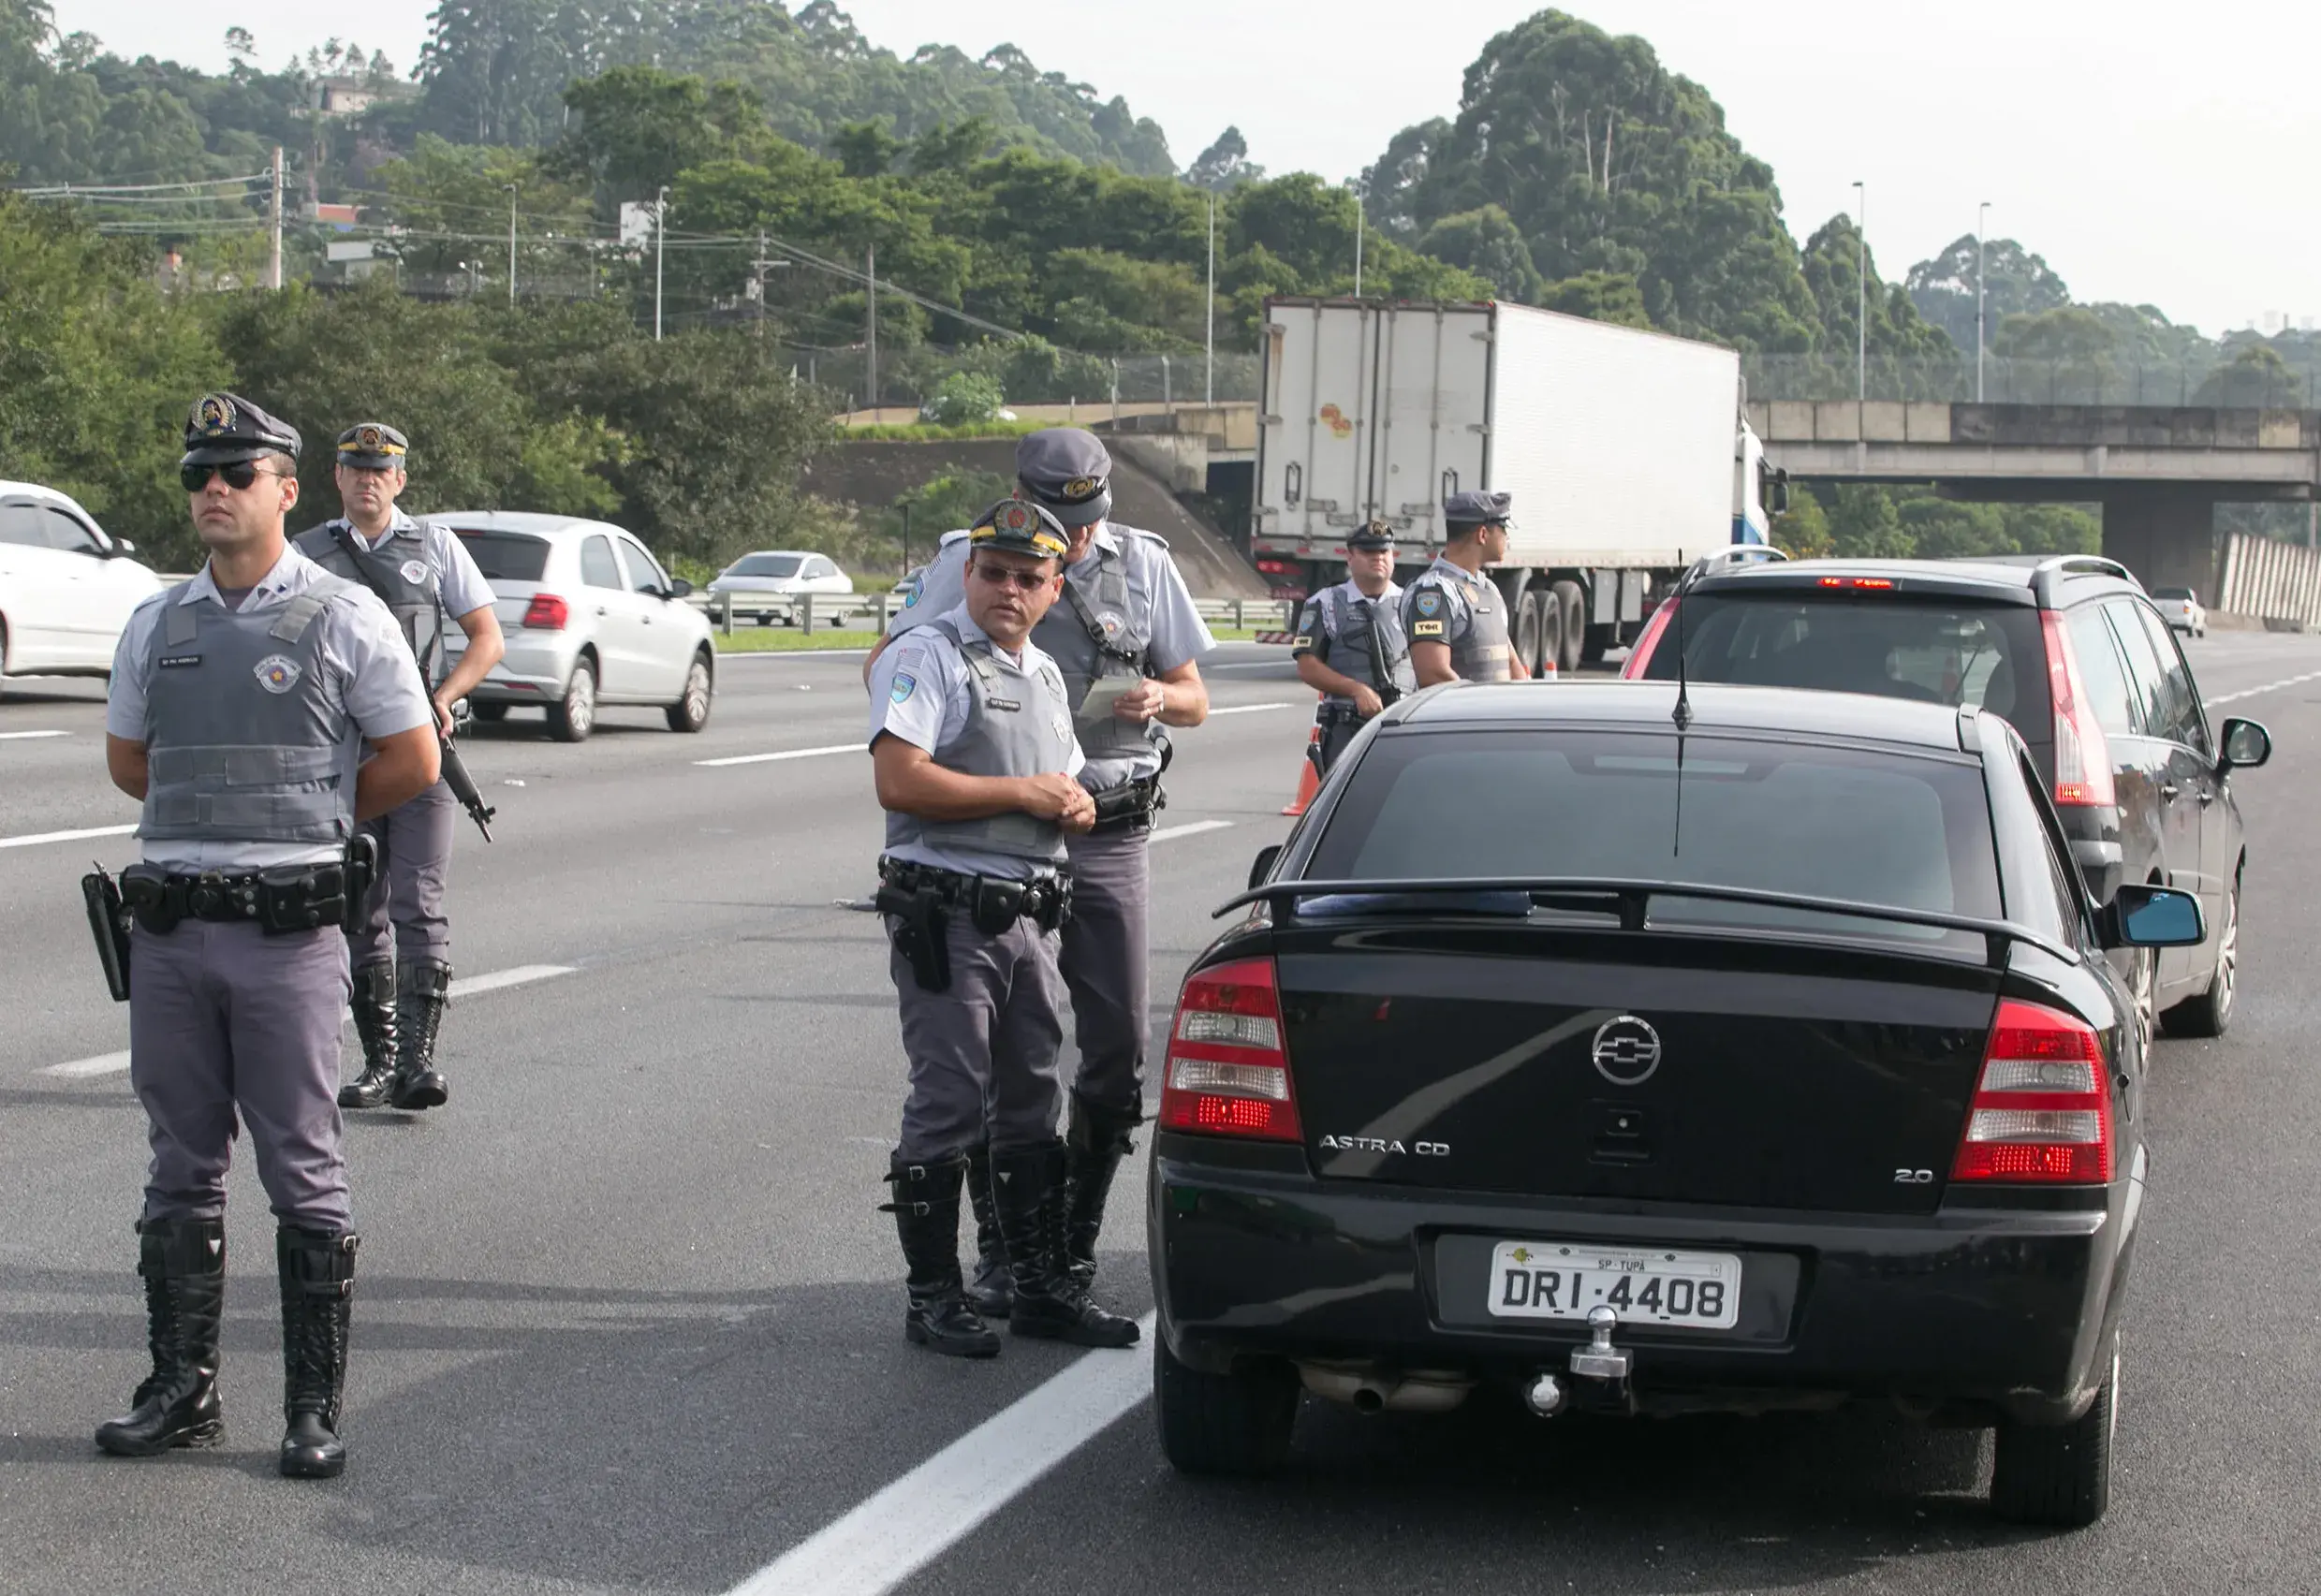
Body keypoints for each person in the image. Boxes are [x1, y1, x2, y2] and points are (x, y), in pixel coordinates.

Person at [95, 393, 440, 1478]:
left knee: (304, 1169)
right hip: (174, 930)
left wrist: (310, 825)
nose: (213, 488)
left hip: (288, 934)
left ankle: (309, 1407)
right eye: (201, 471)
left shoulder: (345, 616)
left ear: (287, 491)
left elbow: (412, 760)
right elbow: (131, 763)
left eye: (237, 473)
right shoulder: (157, 621)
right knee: (179, 1168)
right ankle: (181, 1391)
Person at [865, 429, 1212, 1331]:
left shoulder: (1129, 578)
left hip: (1077, 849)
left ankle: (1054, 1261)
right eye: (1002, 572)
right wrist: (1001, 765)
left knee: (1080, 1064)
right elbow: (897, 727)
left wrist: (1148, 713)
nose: (1016, 587)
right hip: (969, 868)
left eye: (1037, 573)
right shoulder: (952, 607)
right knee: (959, 1084)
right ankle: (975, 1276)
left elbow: (1192, 695)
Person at [294, 422, 505, 1112]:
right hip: (346, 757)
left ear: (400, 479)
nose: (367, 480)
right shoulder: (309, 552)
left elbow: (486, 637)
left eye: (380, 470)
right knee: (361, 906)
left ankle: (418, 1060)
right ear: (337, 477)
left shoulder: (434, 546)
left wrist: (445, 696)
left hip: (420, 750)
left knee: (420, 901)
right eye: (355, 469)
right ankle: (379, 1060)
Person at [1292, 520, 1416, 774]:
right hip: (1347, 727)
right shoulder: (1325, 603)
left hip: (1403, 724)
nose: (1378, 558)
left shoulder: (1411, 602)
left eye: (1384, 552)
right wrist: (1356, 690)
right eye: (1368, 552)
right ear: (1349, 557)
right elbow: (1307, 665)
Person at [1403, 490, 1529, 685]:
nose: (1507, 537)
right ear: (1483, 534)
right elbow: (1433, 673)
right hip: (1462, 715)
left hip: (1497, 713)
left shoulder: (1488, 589)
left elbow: (1510, 661)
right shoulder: (1434, 592)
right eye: (1503, 529)